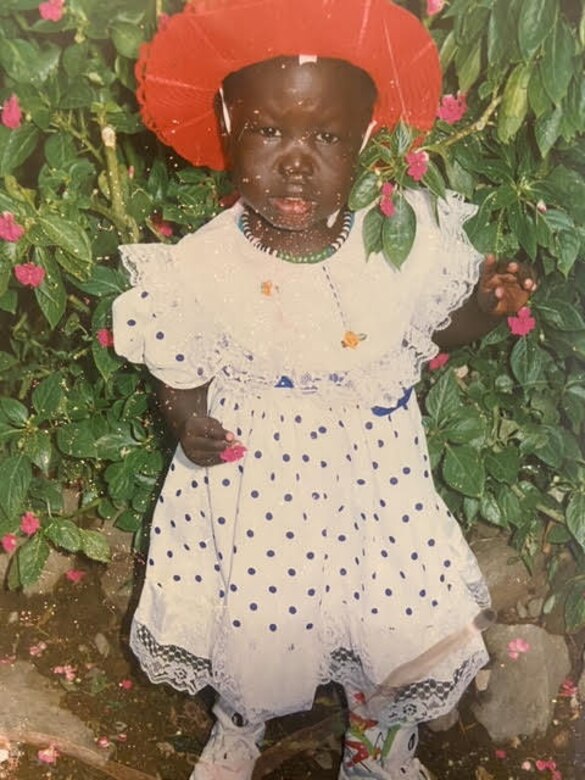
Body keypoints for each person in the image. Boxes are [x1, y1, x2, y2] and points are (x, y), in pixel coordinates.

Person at [112, 1, 536, 778]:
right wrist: (188, 421)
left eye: (326, 137)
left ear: (366, 140)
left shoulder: (396, 238)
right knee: (255, 615)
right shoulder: (202, 265)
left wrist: (481, 307)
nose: (297, 161)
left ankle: (378, 743)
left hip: (374, 481)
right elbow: (178, 366)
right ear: (227, 129)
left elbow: (432, 331)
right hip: (255, 485)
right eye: (268, 132)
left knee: (385, 616)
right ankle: (240, 723)